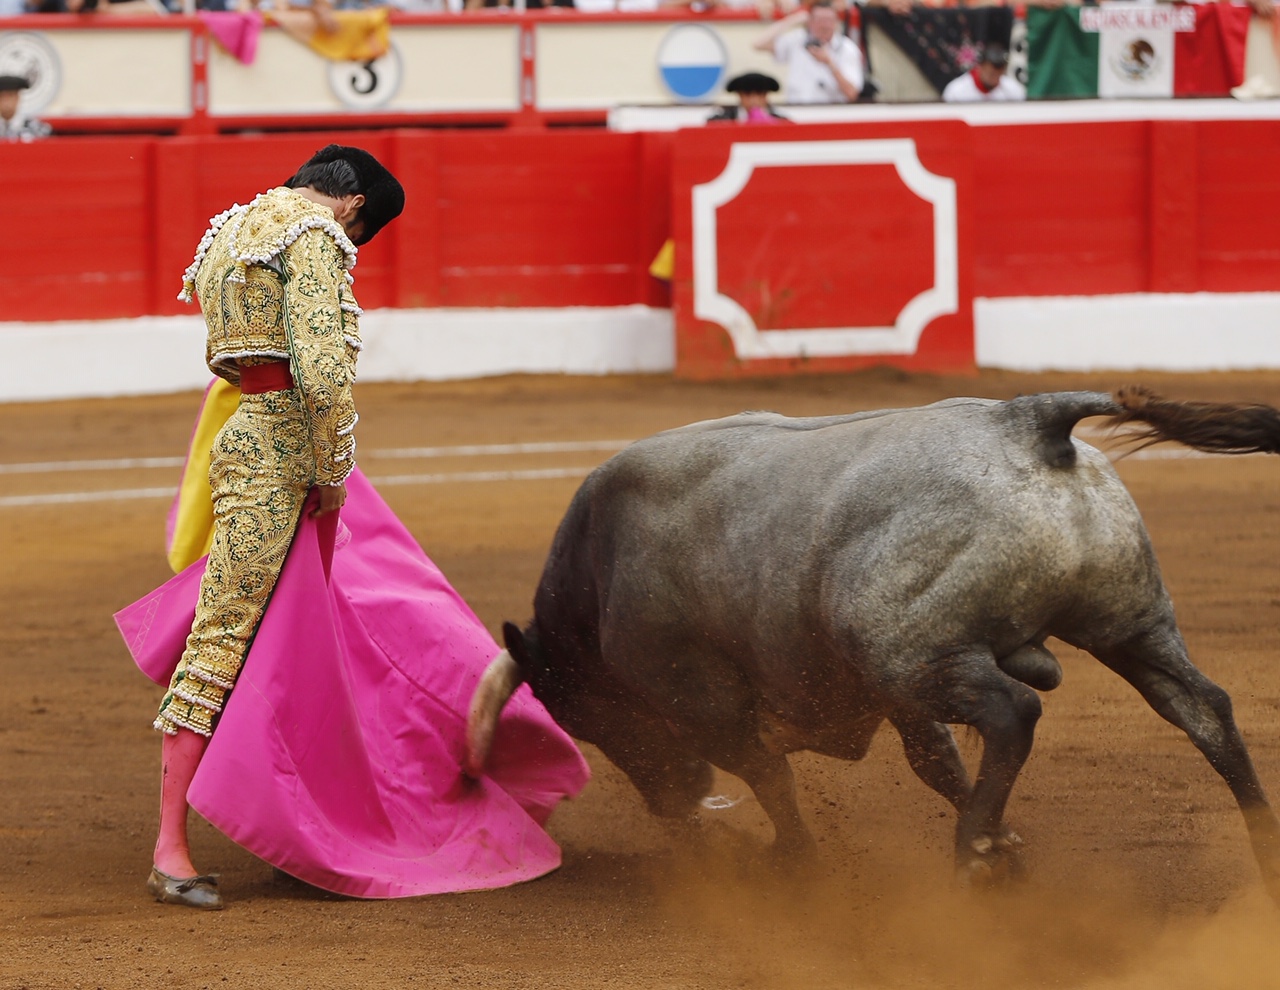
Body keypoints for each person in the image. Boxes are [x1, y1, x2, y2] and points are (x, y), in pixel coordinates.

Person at [126, 144, 588, 909]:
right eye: (363, 230)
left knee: (263, 636)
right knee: (245, 638)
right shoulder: (312, 238)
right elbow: (325, 376)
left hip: (240, 439)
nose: (356, 243)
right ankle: (170, 850)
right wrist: (333, 476)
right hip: (286, 458)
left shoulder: (229, 231)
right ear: (353, 206)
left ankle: (284, 823)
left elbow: (225, 361)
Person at [753, 0, 863, 104]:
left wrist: (830, 63)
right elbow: (758, 44)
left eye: (829, 20)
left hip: (832, 113)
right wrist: (791, 20)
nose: (824, 25)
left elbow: (852, 93)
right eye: (819, 20)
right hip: (797, 112)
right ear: (810, 21)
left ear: (836, 22)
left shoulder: (847, 48)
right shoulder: (797, 39)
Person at [941, 44, 1025, 103]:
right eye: (991, 71)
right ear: (980, 66)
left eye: (999, 69)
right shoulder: (956, 90)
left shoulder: (1013, 90)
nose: (995, 73)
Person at [707, 71, 790, 125]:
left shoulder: (780, 121)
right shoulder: (723, 119)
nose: (754, 100)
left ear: (766, 96)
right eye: (748, 94)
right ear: (740, 95)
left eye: (759, 94)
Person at [0, 75, 51, 142]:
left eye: (10, 95)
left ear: (17, 98)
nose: (6, 101)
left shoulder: (38, 130)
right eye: (2, 96)